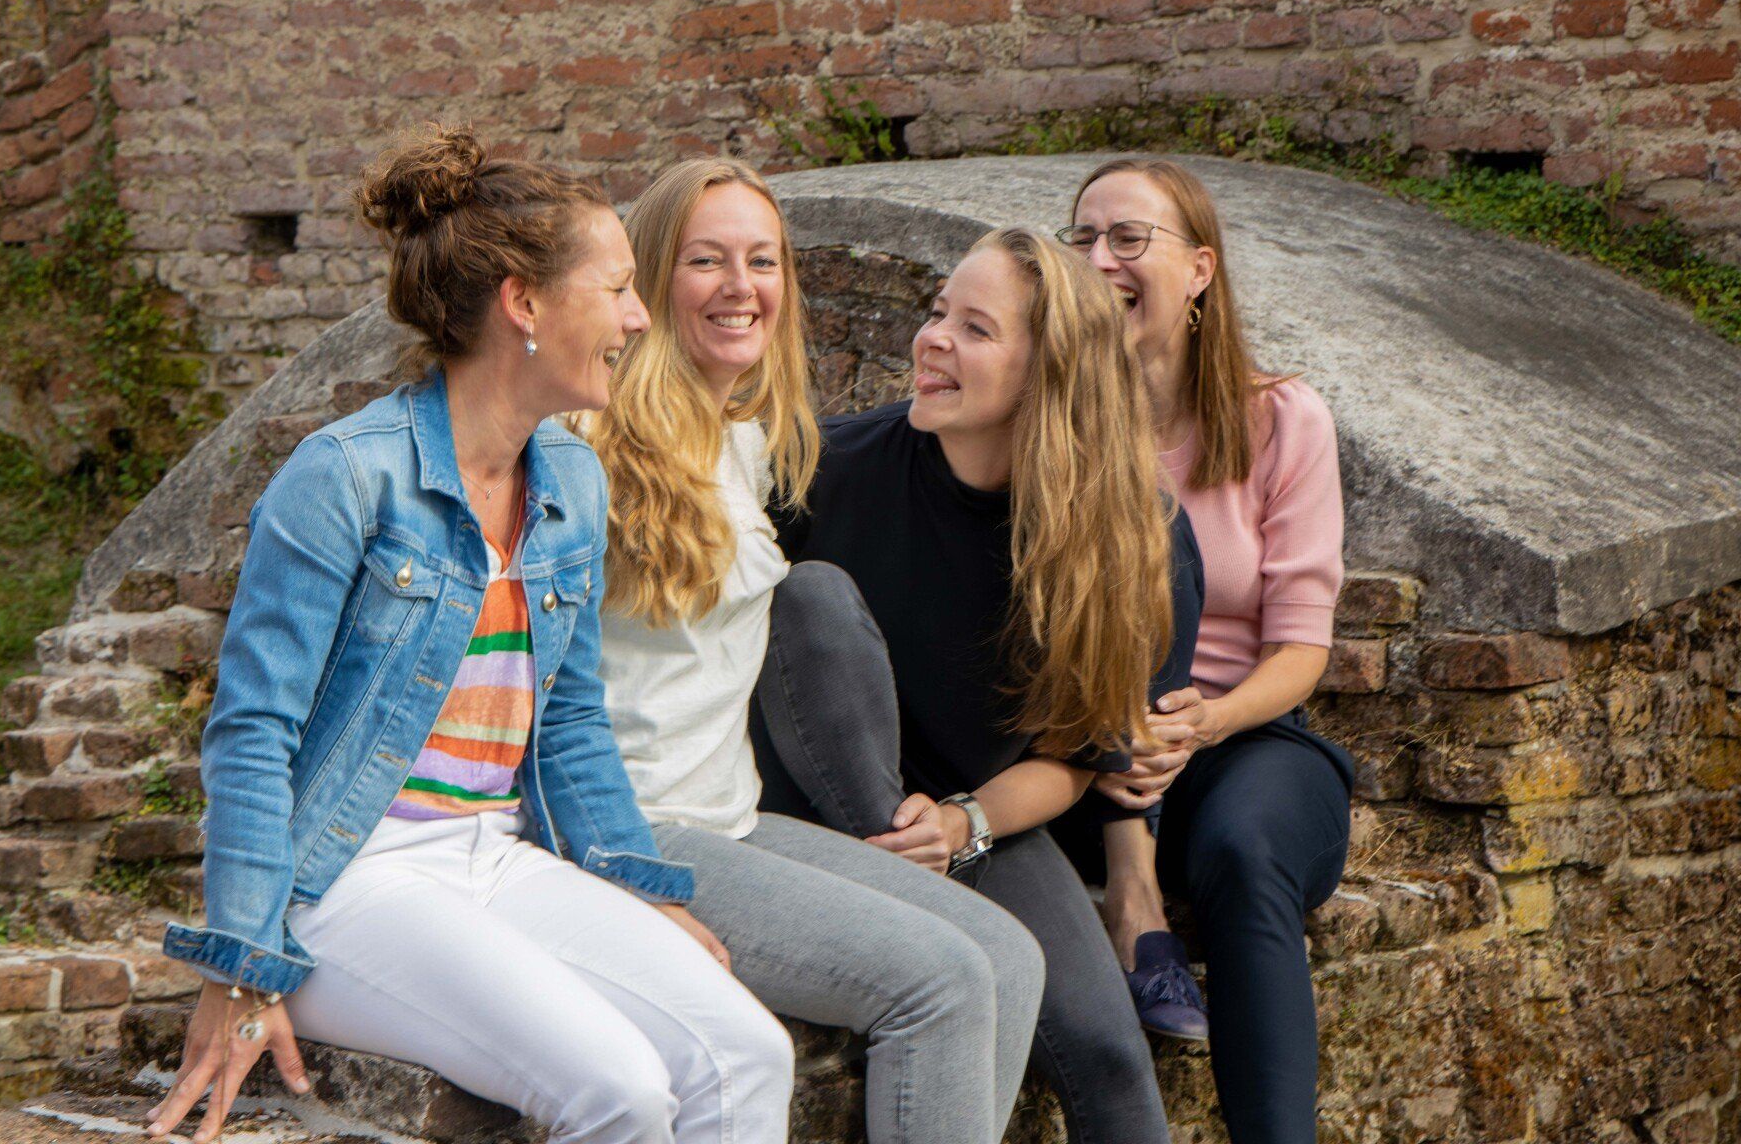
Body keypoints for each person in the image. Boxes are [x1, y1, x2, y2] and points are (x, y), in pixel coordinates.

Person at [150, 129, 793, 1144]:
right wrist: (240, 963)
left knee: (749, 1054)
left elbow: (571, 717)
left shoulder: (571, 481)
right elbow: (252, 730)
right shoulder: (345, 476)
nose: (639, 317)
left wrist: (633, 892)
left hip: (495, 854)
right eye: (617, 289)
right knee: (621, 1087)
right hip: (352, 878)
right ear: (524, 303)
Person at [578, 157, 1044, 1144]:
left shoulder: (746, 443)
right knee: (944, 981)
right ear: (651, 278)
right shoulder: (588, 441)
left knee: (1009, 956)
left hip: (728, 820)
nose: (742, 286)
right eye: (707, 260)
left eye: (763, 259)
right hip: (634, 830)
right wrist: (615, 872)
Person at [754, 227, 1202, 1144]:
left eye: (975, 328)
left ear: (1050, 374)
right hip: (811, 790)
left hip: (973, 811)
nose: (932, 339)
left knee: (1110, 1059)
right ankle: (911, 904)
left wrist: (963, 824)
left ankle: (919, 882)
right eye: (936, 314)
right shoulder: (823, 468)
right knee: (812, 597)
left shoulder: (1133, 531)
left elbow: (1074, 757)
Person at [1059, 157, 1355, 1144]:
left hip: (1245, 736)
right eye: (1083, 239)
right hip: (1085, 754)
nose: (1100, 259)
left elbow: (1301, 644)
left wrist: (1205, 718)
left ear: (1198, 269)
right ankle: (1127, 892)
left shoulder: (1281, 418)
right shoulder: (1045, 416)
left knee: (1245, 845)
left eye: (1127, 238)